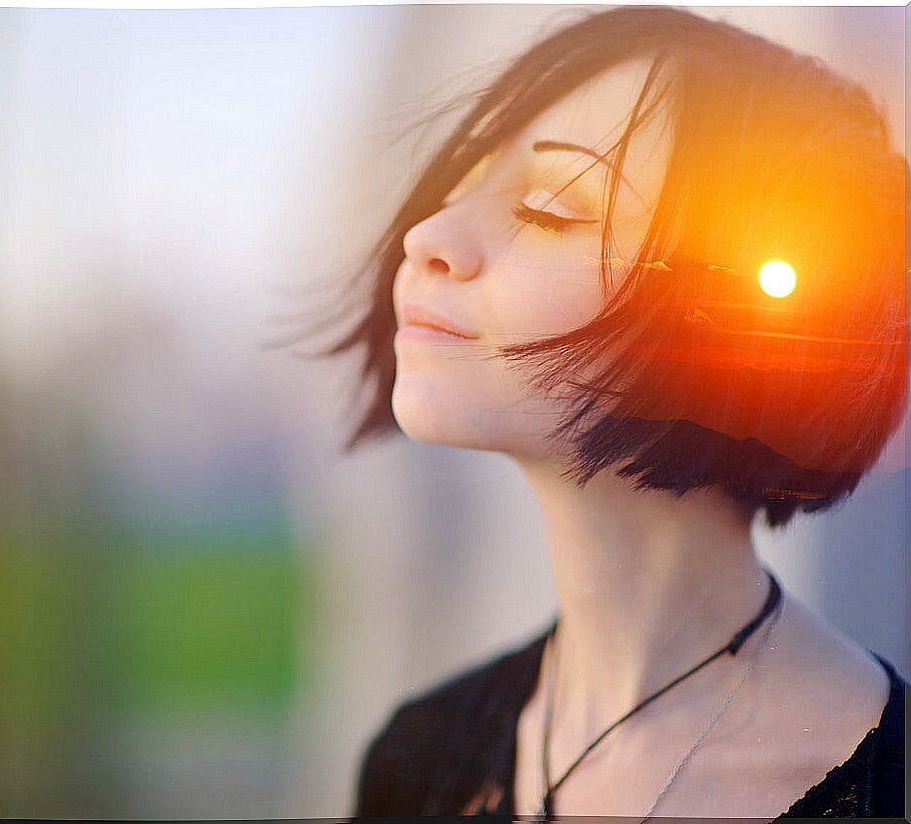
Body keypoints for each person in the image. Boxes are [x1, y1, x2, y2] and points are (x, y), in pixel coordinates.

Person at [304, 5, 907, 820]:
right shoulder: (419, 759)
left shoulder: (882, 783)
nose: (431, 235)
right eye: (464, 180)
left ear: (728, 311)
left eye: (551, 206)